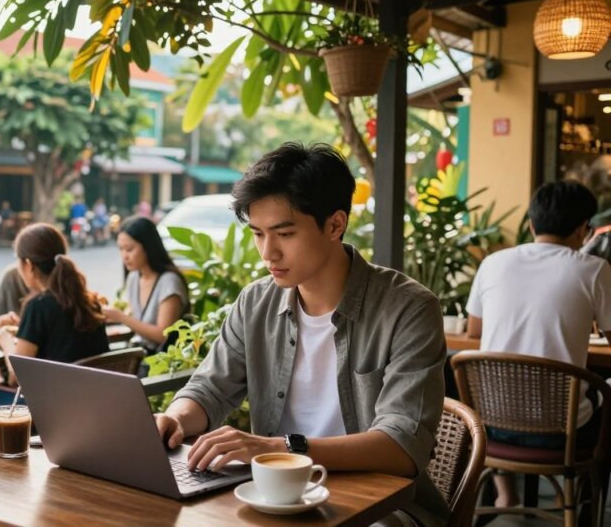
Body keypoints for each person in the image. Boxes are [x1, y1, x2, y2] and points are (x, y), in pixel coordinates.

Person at [154, 143, 448, 527]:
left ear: (335, 225)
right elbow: (209, 390)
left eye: (284, 233)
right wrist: (175, 419)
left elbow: (401, 445)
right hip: (273, 496)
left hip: (384, 507)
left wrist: (281, 449)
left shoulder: (408, 309)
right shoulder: (255, 302)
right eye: (258, 234)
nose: (267, 253)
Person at [466, 180, 611, 508]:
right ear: (583, 231)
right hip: (564, 434)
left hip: (490, 427)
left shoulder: (493, 263)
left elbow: (475, 330)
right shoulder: (594, 269)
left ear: (531, 224)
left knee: (498, 391)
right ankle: (581, 506)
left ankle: (506, 494)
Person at [0, 223, 108, 421]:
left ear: (28, 265)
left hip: (47, 412)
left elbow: (17, 377)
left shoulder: (38, 306)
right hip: (87, 407)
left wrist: (5, 341)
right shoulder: (89, 302)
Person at [102, 216, 190, 355]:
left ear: (148, 247)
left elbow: (162, 335)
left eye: (129, 249)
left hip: (163, 363)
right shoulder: (134, 277)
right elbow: (138, 320)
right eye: (121, 249)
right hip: (138, 354)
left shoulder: (169, 282)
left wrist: (121, 317)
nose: (124, 256)